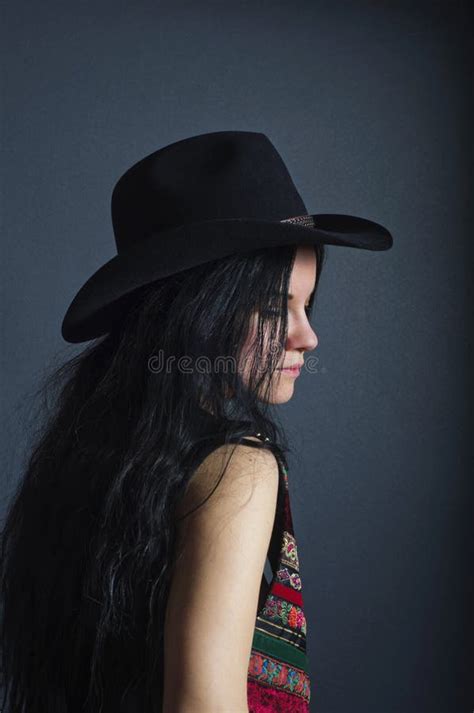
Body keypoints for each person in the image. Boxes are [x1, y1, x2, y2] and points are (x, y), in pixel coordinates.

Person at [0, 130, 393, 712]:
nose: (308, 337)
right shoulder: (238, 470)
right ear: (196, 311)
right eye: (271, 308)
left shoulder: (87, 454)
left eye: (306, 305)